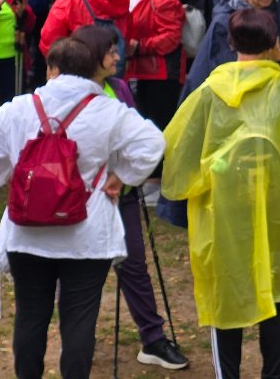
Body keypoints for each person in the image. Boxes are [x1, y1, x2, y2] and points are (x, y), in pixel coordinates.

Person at [0, 37, 165, 379]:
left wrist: (6, 172)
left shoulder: (22, 107)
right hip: (87, 233)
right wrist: (122, 176)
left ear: (51, 69)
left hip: (28, 231)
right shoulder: (109, 110)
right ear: (90, 69)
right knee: (80, 321)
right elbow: (153, 141)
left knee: (30, 316)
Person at [162, 7, 280, 379]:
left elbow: (177, 149)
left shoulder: (210, 92)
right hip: (277, 206)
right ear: (273, 42)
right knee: (278, 290)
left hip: (224, 212)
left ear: (231, 42)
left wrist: (207, 176)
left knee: (228, 293)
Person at [71, 25, 189, 372]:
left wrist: (125, 173)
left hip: (120, 195)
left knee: (134, 265)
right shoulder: (68, 93)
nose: (117, 57)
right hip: (80, 200)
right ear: (92, 56)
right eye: (110, 52)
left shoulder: (120, 88)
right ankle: (78, 341)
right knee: (81, 272)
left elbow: (137, 135)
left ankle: (152, 339)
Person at [124, 0, 186, 134]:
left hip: (160, 73)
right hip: (137, 70)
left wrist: (140, 46)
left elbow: (172, 37)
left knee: (158, 127)